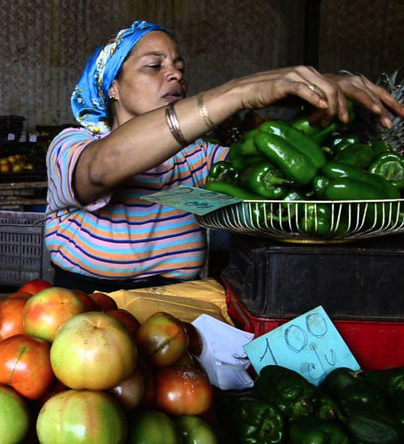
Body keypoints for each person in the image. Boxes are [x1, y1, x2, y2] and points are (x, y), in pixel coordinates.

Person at [45, 20, 404, 293]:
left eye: (179, 67)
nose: (176, 74)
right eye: (154, 66)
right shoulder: (72, 145)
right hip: (86, 312)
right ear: (113, 87)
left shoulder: (197, 159)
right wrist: (239, 93)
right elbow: (100, 169)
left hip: (177, 313)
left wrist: (311, 95)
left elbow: (268, 169)